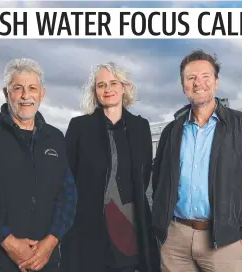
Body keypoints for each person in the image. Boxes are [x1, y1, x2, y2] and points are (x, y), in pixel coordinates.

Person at [151, 49, 242, 272]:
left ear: (216, 82)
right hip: (175, 240)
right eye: (191, 78)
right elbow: (159, 184)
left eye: (205, 76)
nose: (198, 83)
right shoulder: (171, 131)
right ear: (183, 84)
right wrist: (162, 231)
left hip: (225, 242)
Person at [0, 58, 77, 272]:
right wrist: (10, 243)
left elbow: (68, 196)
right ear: (6, 93)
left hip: (46, 261)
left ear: (42, 93)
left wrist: (51, 242)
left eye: (32, 88)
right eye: (18, 88)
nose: (26, 96)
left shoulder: (56, 138)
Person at [59, 62, 159, 272]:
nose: (107, 89)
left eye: (113, 83)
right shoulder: (79, 127)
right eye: (101, 85)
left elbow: (144, 177)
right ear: (95, 91)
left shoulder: (141, 127)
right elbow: (65, 179)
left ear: (124, 87)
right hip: (88, 233)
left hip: (130, 231)